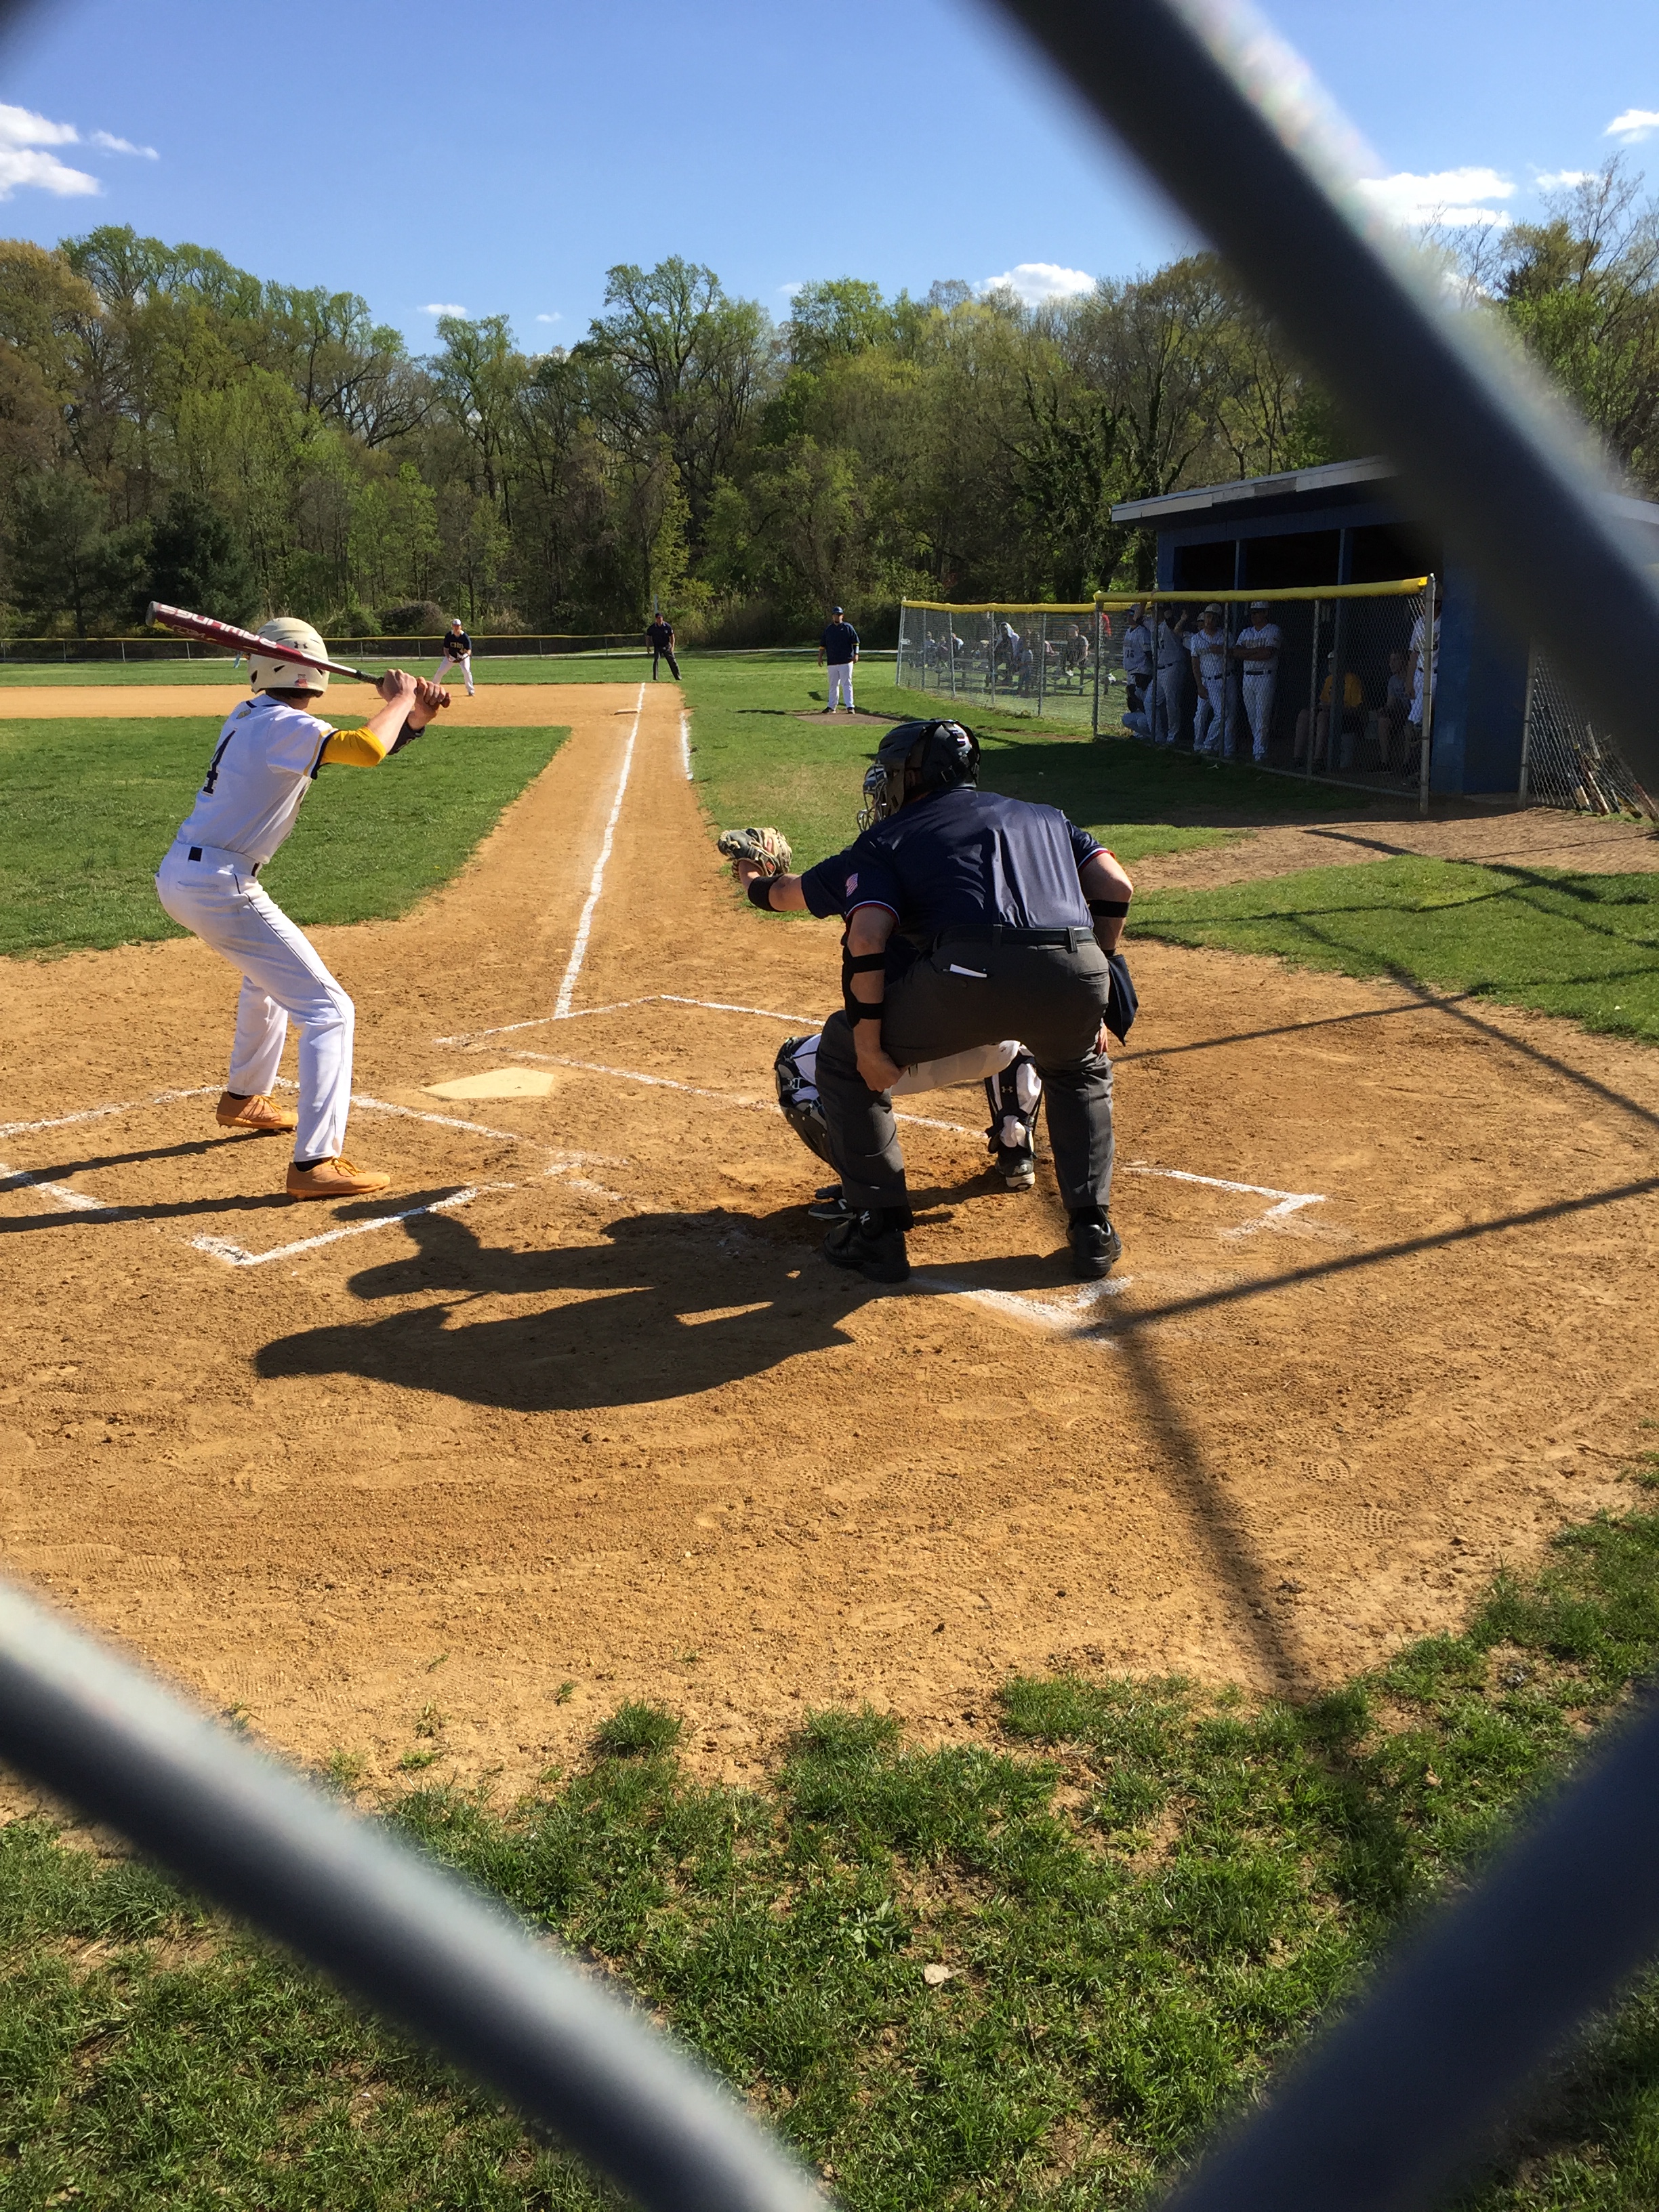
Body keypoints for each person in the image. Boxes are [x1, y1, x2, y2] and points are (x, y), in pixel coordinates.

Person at [731, 718, 1136, 1286]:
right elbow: (1116, 887)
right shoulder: (1047, 817)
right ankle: (1091, 1225)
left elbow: (866, 937)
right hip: (1076, 968)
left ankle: (877, 1227)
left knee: (846, 1052)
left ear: (912, 776)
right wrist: (1099, 984)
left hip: (965, 977)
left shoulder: (887, 839)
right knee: (1077, 1069)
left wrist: (870, 1046)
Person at [154, 619, 451, 1201]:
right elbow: (365, 749)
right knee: (330, 1010)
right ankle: (315, 1163)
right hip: (218, 882)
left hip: (191, 874)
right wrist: (403, 698)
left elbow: (365, 746)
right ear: (314, 671)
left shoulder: (254, 716)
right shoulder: (282, 724)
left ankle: (245, 1099)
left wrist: (412, 718)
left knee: (267, 981)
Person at [1231, 600, 1281, 761]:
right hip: (1248, 677)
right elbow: (1237, 653)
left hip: (1265, 676)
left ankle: (1259, 753)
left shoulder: (1273, 629)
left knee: (1262, 716)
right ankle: (1259, 749)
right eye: (1252, 612)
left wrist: (1248, 652)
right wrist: (1257, 651)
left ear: (1265, 613)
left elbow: (1268, 654)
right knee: (1252, 717)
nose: (1253, 615)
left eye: (1257, 612)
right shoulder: (1246, 632)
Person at [1294, 656, 1364, 766]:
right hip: (1327, 713)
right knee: (1304, 714)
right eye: (1330, 662)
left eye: (1334, 662)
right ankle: (1297, 758)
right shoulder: (1329, 679)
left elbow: (1356, 710)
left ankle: (1318, 760)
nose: (1331, 665)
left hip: (1346, 717)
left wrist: (1333, 708)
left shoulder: (1352, 679)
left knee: (1322, 716)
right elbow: (1322, 702)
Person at [1405, 583, 1442, 780]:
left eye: (1426, 601)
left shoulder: (1444, 623)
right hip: (1419, 675)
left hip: (1434, 675)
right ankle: (1412, 767)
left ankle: (1417, 768)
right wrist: (1409, 681)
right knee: (1418, 726)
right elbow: (1414, 654)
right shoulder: (1419, 623)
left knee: (1414, 723)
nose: (1422, 604)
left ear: (1436, 604)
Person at [1189, 603, 1230, 754]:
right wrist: (1199, 685)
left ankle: (1209, 745)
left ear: (1218, 619)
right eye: (1207, 616)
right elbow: (1195, 663)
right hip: (1206, 680)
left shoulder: (1225, 635)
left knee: (1222, 714)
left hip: (1223, 678)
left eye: (1213, 617)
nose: (1209, 620)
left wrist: (1223, 651)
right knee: (1200, 715)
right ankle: (1198, 745)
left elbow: (1234, 654)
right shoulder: (1196, 638)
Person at [1154, 604, 1191, 743]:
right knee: (1150, 701)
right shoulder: (1153, 625)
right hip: (1160, 669)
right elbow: (1137, 619)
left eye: (1157, 610)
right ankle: (1157, 736)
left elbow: (1171, 622)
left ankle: (1173, 735)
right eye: (1153, 610)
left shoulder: (1169, 623)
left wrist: (1163, 599)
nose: (1154, 613)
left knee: (1172, 703)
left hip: (1173, 667)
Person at [818, 605, 860, 713]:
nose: (837, 617)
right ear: (832, 616)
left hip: (846, 661)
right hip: (832, 661)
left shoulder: (848, 627)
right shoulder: (829, 630)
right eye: (835, 615)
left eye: (839, 615)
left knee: (847, 683)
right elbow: (823, 645)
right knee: (833, 684)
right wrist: (820, 656)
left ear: (842, 616)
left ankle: (850, 706)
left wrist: (856, 654)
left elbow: (856, 642)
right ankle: (832, 706)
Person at [1120, 601, 1153, 722]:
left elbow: (1148, 653)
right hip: (1130, 670)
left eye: (1131, 614)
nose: (1129, 616)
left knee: (1142, 701)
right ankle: (1139, 730)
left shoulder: (1143, 632)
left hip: (1141, 670)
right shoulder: (1128, 631)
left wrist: (1150, 672)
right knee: (1132, 702)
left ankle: (1148, 727)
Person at [436, 617, 474, 696]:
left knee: (466, 671)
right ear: (452, 626)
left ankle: (471, 690)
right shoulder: (449, 636)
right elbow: (445, 649)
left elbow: (469, 651)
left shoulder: (465, 637)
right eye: (454, 626)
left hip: (463, 657)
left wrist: (463, 657)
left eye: (458, 626)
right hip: (451, 656)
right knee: (440, 671)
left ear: (461, 627)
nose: (456, 627)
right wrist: (448, 657)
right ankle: (433, 687)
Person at [645, 610, 680, 680]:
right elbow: (648, 637)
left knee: (673, 661)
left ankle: (678, 677)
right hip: (658, 646)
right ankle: (655, 678)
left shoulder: (667, 626)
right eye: (658, 618)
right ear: (656, 619)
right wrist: (648, 647)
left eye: (661, 618)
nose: (660, 619)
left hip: (667, 646)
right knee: (656, 660)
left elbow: (672, 636)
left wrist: (672, 647)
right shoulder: (653, 627)